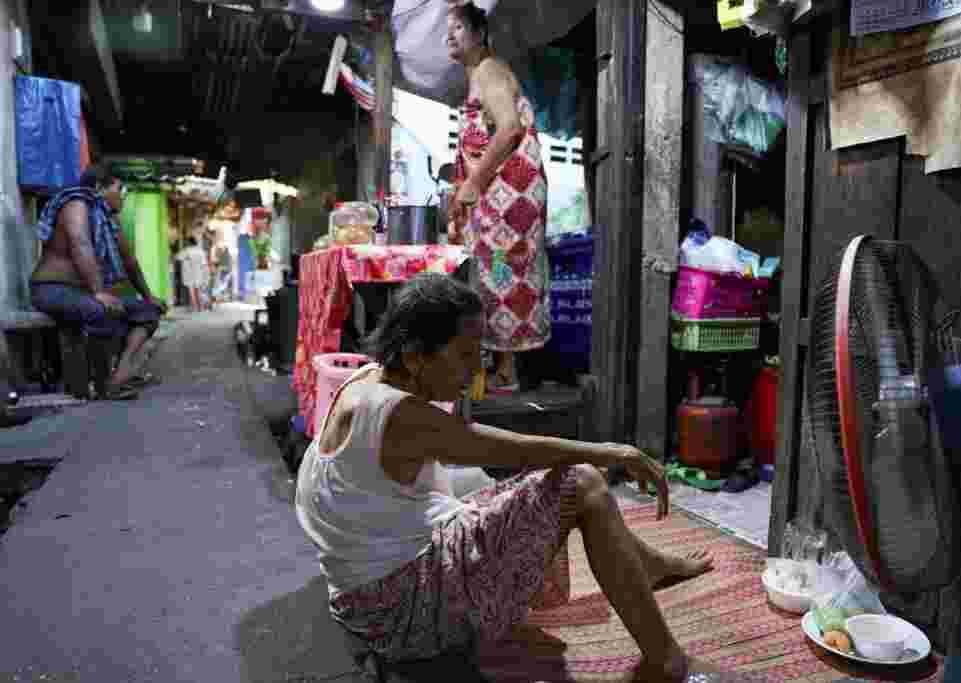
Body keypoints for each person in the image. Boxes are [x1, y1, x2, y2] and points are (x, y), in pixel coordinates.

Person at [295, 273, 767, 683]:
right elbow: (507, 448)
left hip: (365, 594)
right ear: (417, 355)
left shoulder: (368, 381)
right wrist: (613, 453)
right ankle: (668, 662)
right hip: (396, 611)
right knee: (580, 484)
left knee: (511, 486)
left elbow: (476, 448)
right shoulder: (399, 414)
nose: (474, 369)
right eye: (464, 355)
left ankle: (646, 565)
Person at [446, 2, 550, 394]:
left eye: (458, 27)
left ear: (479, 34)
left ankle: (508, 370)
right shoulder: (479, 76)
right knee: (497, 269)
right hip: (502, 191)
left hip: (511, 195)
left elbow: (508, 129)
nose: (449, 35)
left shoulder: (489, 71)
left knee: (504, 267)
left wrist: (474, 183)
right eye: (448, 29)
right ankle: (503, 362)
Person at [30, 164, 166, 400]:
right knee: (101, 310)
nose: (123, 195)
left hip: (84, 294)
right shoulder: (76, 205)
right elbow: (79, 244)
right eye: (119, 188)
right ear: (99, 188)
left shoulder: (107, 218)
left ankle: (121, 375)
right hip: (51, 290)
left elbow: (129, 260)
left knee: (148, 312)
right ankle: (102, 385)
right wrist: (99, 291)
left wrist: (148, 296)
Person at [175, 236, 210, 313]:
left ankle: (194, 307)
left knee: (192, 291)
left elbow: (177, 257)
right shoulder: (201, 251)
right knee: (198, 291)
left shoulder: (187, 250)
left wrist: (186, 260)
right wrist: (206, 275)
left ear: (189, 242)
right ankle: (200, 307)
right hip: (199, 273)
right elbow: (204, 264)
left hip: (190, 273)